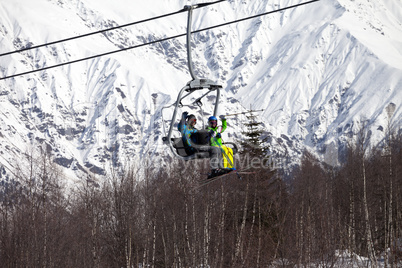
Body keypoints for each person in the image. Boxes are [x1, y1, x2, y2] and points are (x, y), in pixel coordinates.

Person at [178, 112, 226, 178]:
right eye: (191, 120)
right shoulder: (185, 129)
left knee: (218, 149)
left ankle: (220, 168)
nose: (193, 122)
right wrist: (183, 119)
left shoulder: (195, 130)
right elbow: (180, 127)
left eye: (194, 120)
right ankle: (214, 169)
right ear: (188, 121)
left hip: (199, 146)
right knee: (214, 149)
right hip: (193, 148)